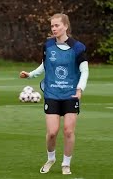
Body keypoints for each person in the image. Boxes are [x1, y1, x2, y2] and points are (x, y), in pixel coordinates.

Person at [19, 13, 89, 175]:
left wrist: (79, 89)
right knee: (51, 133)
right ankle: (51, 158)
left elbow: (84, 71)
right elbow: (44, 65)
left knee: (68, 131)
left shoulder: (78, 47)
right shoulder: (48, 45)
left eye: (57, 25)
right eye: (52, 26)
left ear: (65, 26)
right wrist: (30, 75)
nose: (54, 28)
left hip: (71, 94)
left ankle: (66, 164)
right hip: (52, 93)